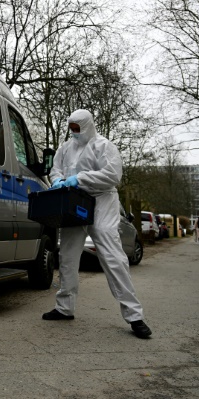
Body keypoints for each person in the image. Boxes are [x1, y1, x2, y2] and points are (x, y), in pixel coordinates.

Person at [44, 109, 152, 339]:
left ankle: (134, 316)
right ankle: (65, 307)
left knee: (112, 256)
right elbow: (55, 169)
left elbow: (112, 175)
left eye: (77, 128)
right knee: (67, 255)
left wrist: (80, 178)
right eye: (71, 128)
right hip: (73, 202)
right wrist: (59, 181)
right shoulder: (65, 148)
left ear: (87, 125)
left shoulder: (104, 146)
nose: (73, 132)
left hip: (101, 200)